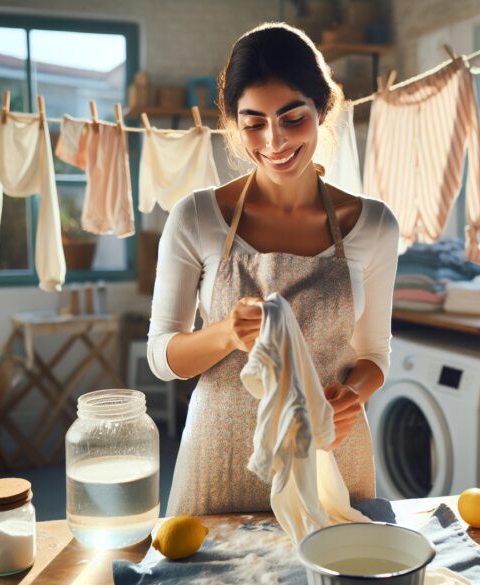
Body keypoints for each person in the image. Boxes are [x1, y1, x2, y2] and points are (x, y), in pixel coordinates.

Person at [147, 22, 400, 516]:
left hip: (330, 454)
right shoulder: (195, 218)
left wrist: (350, 396)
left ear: (323, 109)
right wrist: (225, 334)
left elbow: (375, 355)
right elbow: (163, 356)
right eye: (254, 122)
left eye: (292, 117)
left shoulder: (373, 226)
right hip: (220, 458)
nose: (274, 140)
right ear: (233, 124)